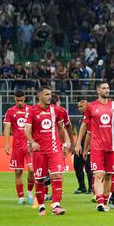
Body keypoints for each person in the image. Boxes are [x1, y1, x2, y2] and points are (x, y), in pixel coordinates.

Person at [75, 81, 114, 212]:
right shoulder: (91, 107)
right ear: (98, 91)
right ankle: (99, 202)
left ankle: (104, 201)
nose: (107, 90)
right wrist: (78, 143)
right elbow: (85, 125)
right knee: (99, 174)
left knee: (109, 175)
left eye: (108, 88)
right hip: (97, 147)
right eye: (104, 88)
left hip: (112, 147)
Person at [24, 86, 71, 216]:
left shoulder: (56, 111)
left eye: (50, 94)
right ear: (39, 96)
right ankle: (41, 206)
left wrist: (66, 143)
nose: (49, 96)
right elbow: (27, 130)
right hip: (39, 151)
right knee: (39, 179)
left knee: (57, 175)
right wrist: (32, 142)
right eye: (46, 94)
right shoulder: (32, 111)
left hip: (54, 149)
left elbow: (61, 129)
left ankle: (56, 204)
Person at [4, 90, 34, 205]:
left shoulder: (30, 110)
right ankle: (21, 197)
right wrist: (6, 144)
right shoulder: (10, 111)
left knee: (32, 170)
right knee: (18, 172)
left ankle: (29, 192)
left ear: (25, 98)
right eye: (17, 100)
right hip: (17, 147)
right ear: (14, 99)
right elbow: (7, 128)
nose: (19, 103)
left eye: (21, 100)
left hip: (29, 146)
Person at [73, 100, 93, 194]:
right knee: (77, 167)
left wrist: (88, 146)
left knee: (89, 168)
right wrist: (77, 144)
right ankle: (82, 187)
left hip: (89, 146)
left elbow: (92, 133)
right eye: (78, 107)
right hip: (80, 146)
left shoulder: (91, 118)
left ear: (87, 106)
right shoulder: (81, 119)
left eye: (81, 106)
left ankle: (91, 188)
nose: (79, 108)